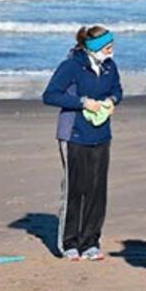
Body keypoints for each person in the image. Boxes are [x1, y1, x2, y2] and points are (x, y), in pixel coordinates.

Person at [42, 26, 123, 262]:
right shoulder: (70, 66)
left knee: (97, 190)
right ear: (95, 48)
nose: (112, 51)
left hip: (101, 134)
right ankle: (69, 243)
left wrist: (112, 100)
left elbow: (117, 89)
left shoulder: (110, 66)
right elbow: (50, 95)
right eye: (108, 47)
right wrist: (83, 102)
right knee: (75, 189)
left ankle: (90, 242)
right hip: (74, 134)